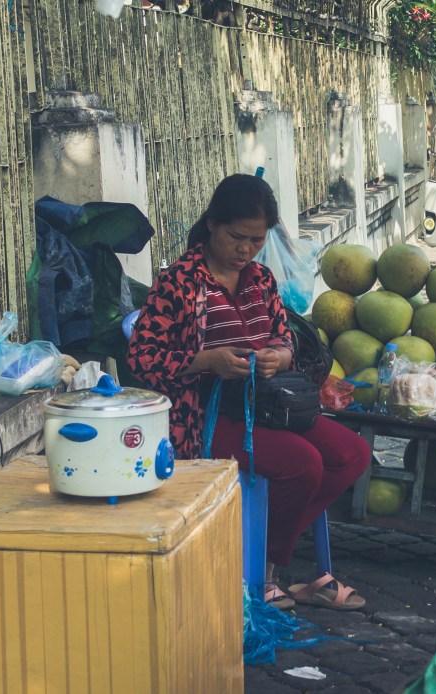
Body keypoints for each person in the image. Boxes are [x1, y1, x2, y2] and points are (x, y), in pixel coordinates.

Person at [128, 174, 371, 610]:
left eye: (256, 241)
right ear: (212, 225)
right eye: (237, 237)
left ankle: (261, 557)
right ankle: (264, 573)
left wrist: (279, 357)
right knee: (303, 464)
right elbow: (142, 358)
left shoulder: (260, 279)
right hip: (206, 419)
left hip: (270, 409)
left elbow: (284, 340)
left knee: (351, 454)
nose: (246, 250)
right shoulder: (179, 282)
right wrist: (205, 361)